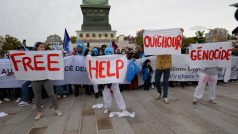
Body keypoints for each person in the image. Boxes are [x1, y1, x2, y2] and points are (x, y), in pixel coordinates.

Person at [32, 42, 62, 120]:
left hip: (46, 78)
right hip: (35, 79)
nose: (43, 48)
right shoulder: (31, 56)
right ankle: (39, 112)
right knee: (37, 96)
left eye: (44, 47)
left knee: (51, 94)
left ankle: (56, 109)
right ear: (37, 48)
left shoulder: (47, 55)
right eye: (41, 47)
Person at [101, 47, 129, 115]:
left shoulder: (115, 59)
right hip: (105, 81)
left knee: (117, 94)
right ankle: (107, 108)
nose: (108, 54)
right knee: (106, 95)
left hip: (114, 80)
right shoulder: (101, 60)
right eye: (106, 52)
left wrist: (124, 57)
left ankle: (122, 108)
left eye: (109, 52)